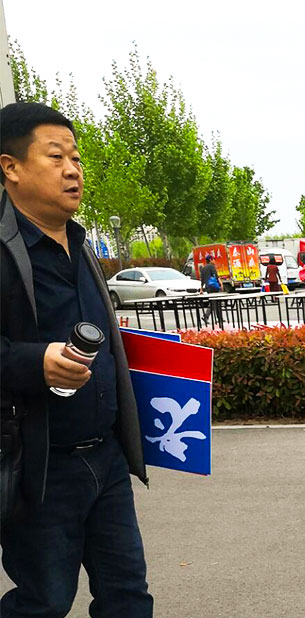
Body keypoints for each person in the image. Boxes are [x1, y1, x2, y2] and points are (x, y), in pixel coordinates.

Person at [0, 102, 154, 616]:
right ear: (11, 167)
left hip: (105, 459)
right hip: (39, 467)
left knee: (128, 596)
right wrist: (32, 361)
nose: (73, 170)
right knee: (43, 602)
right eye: (56, 156)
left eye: (77, 158)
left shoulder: (83, 245)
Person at [199, 253, 223, 326]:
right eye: (213, 259)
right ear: (210, 260)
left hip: (208, 288)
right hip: (214, 287)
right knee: (216, 302)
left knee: (213, 302)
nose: (214, 261)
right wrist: (221, 284)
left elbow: (202, 279)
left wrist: (201, 289)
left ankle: (218, 318)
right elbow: (216, 276)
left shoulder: (203, 268)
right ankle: (207, 316)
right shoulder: (212, 267)